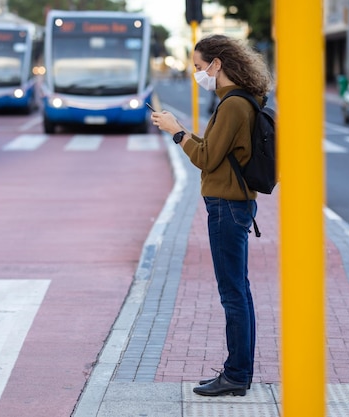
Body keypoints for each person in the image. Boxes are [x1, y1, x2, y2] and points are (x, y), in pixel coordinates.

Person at [151, 34, 273, 397]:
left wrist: (176, 133)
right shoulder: (238, 101)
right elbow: (213, 150)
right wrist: (184, 132)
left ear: (218, 64)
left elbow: (204, 159)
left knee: (233, 293)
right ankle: (238, 372)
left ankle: (236, 375)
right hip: (233, 205)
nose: (198, 73)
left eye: (200, 67)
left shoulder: (234, 105)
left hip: (226, 206)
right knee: (239, 291)